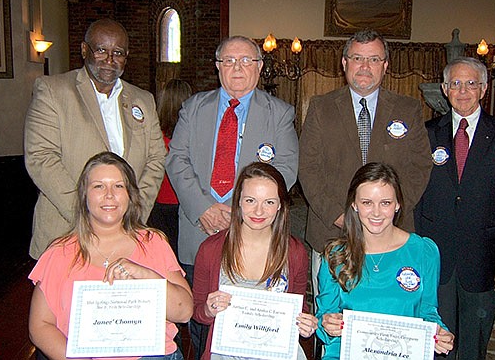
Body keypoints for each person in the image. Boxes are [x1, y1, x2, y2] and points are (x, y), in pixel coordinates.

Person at [166, 36, 299, 359]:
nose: (237, 68)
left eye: (246, 61)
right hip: (199, 230)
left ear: (260, 67)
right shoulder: (194, 107)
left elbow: (286, 169)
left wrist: (240, 211)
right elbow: (176, 159)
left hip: (255, 234)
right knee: (202, 317)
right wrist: (203, 208)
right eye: (229, 61)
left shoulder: (279, 113)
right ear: (217, 67)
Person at [298, 28, 432, 300]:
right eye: (357, 58)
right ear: (345, 63)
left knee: (387, 314)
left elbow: (419, 167)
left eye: (373, 59)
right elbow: (308, 170)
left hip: (392, 235)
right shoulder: (321, 107)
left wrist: (387, 213)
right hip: (332, 233)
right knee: (333, 318)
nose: (365, 66)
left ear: (385, 65)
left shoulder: (408, 109)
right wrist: (341, 216)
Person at [28, 151, 193, 360]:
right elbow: (40, 327)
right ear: (84, 195)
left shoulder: (153, 243)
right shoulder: (59, 253)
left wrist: (145, 275)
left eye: (118, 186)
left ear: (130, 195)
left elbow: (184, 312)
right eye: (98, 186)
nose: (109, 194)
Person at [415, 56, 495, 359]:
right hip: (435, 260)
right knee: (435, 344)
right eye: (455, 84)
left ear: (484, 89)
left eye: (470, 83)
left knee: (472, 349)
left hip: (484, 262)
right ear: (444, 88)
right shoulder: (425, 135)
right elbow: (415, 197)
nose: (462, 90)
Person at [24, 18, 166, 260]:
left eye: (117, 52)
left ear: (126, 56)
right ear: (84, 50)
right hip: (67, 232)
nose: (109, 60)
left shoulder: (143, 99)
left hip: (127, 234)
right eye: (101, 50)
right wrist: (88, 216)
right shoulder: (53, 90)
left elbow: (156, 159)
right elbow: (41, 158)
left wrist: (132, 215)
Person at [316, 162, 454, 360]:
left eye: (385, 203)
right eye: (367, 203)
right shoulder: (335, 255)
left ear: (398, 204)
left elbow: (428, 311)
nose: (376, 213)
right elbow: (324, 316)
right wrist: (327, 324)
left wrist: (439, 333)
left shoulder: (424, 251)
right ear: (354, 205)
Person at [192, 162, 317, 360]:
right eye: (250, 200)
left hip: (275, 352)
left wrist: (305, 324)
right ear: (239, 201)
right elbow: (197, 311)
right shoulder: (210, 250)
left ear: (280, 206)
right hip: (226, 353)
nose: (259, 212)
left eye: (269, 202)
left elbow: (298, 308)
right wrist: (208, 310)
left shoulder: (294, 252)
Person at [148, 78, 193, 256]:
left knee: (163, 253)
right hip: (182, 202)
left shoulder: (155, 135)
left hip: (158, 202)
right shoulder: (189, 137)